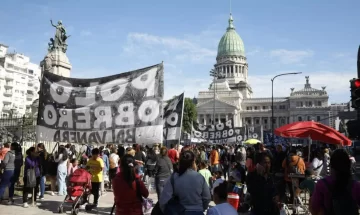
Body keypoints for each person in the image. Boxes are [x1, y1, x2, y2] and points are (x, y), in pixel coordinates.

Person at [159, 150, 211, 215]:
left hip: (178, 211)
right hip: (197, 211)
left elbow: (164, 200)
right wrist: (201, 208)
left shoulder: (174, 178)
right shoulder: (200, 177)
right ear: (193, 162)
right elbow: (207, 197)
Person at [310, 149, 360, 215]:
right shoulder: (356, 185)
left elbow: (314, 209)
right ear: (348, 166)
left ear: (331, 166)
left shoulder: (322, 184)